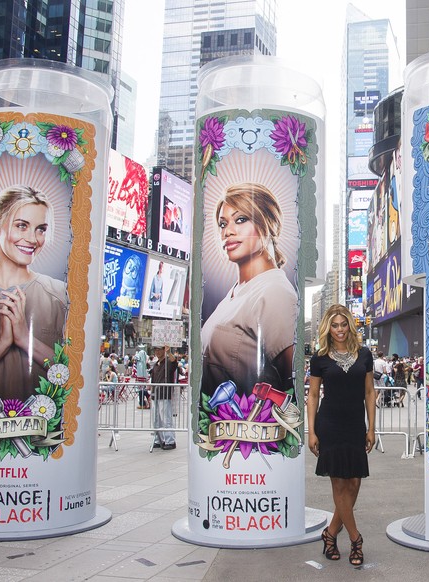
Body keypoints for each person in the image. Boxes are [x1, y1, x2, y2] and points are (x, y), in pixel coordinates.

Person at [0, 185, 68, 401]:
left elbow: (70, 372)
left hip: (41, 428)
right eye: (21, 226)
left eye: (40, 229)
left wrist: (24, 338)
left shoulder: (59, 294)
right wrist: (1, 344)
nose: (33, 239)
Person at [200, 183, 298, 400]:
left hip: (256, 428)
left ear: (267, 223)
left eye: (241, 219)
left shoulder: (274, 293)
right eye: (223, 224)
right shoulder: (234, 293)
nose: (228, 231)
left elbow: (292, 386)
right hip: (220, 427)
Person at [306, 304, 375, 566]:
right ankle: (356, 539)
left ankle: (330, 533)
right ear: (328, 328)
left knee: (354, 483)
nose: (339, 330)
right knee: (338, 483)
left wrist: (371, 428)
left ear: (350, 325)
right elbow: (312, 396)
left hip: (355, 424)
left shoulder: (364, 355)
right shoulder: (320, 358)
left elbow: (369, 392)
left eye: (343, 324)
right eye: (334, 325)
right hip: (330, 425)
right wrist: (311, 431)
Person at [151, 345, 178, 450]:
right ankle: (158, 439)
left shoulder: (168, 362)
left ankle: (170, 440)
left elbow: (174, 362)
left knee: (166, 418)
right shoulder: (156, 364)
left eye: (159, 349)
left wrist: (169, 352)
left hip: (164, 394)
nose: (157, 352)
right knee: (156, 419)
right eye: (155, 350)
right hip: (155, 394)